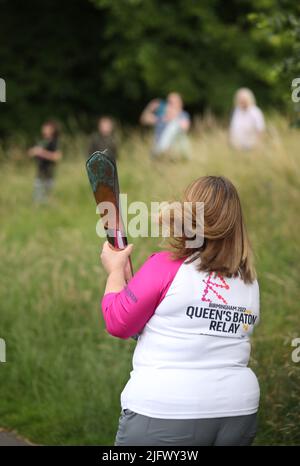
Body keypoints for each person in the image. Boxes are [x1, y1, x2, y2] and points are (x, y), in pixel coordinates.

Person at [100, 176, 260, 446]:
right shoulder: (249, 281)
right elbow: (167, 322)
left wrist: (115, 272)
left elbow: (118, 321)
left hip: (166, 408)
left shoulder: (166, 265)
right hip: (238, 410)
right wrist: (130, 283)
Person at [140, 92, 191, 158]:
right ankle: (160, 151)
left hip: (174, 150)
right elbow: (144, 119)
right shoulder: (161, 117)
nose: (170, 105)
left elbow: (185, 127)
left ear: (180, 104)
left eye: (173, 102)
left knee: (175, 125)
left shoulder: (183, 115)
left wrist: (173, 117)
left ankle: (161, 150)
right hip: (158, 150)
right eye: (169, 102)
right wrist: (150, 107)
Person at [28, 120, 62, 204]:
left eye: (46, 129)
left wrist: (41, 152)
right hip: (40, 172)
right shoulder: (42, 141)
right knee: (38, 197)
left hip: (48, 173)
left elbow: (57, 157)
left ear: (52, 130)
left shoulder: (55, 142)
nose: (44, 130)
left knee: (46, 196)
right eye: (44, 129)